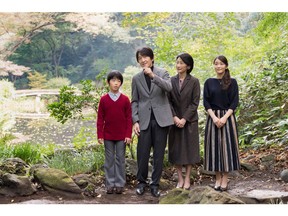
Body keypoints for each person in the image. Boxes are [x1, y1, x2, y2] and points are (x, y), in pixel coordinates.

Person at [131, 47, 174, 197]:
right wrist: (135, 120)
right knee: (142, 154)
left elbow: (169, 87)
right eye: (140, 58)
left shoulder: (163, 72)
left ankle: (155, 184)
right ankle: (141, 183)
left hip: (161, 119)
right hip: (143, 120)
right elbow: (134, 101)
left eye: (145, 57)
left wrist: (152, 75)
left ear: (152, 58)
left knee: (158, 154)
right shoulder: (136, 78)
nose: (143, 60)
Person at [203, 55, 240, 192]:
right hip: (212, 118)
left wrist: (224, 118)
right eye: (216, 64)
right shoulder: (208, 82)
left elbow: (234, 102)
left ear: (226, 65)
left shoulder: (232, 82)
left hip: (227, 118)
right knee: (214, 149)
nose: (218, 66)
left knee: (227, 149)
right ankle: (217, 178)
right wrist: (214, 117)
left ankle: (225, 178)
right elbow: (206, 102)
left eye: (221, 64)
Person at [168, 53, 201, 190]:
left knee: (189, 151)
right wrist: (175, 117)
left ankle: (187, 178)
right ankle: (180, 179)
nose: (178, 65)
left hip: (190, 121)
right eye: (177, 62)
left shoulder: (194, 81)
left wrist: (184, 119)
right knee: (176, 150)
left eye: (181, 63)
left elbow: (195, 103)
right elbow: (167, 101)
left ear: (188, 65)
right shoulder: (171, 80)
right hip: (174, 121)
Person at [97, 70, 132, 194]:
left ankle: (120, 184)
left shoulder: (125, 99)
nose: (116, 83)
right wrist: (100, 135)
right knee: (109, 160)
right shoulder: (104, 100)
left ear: (121, 83)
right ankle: (110, 184)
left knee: (120, 159)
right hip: (108, 135)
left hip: (122, 136)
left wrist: (128, 135)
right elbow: (100, 119)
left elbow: (129, 119)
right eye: (113, 80)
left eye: (118, 81)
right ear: (108, 82)